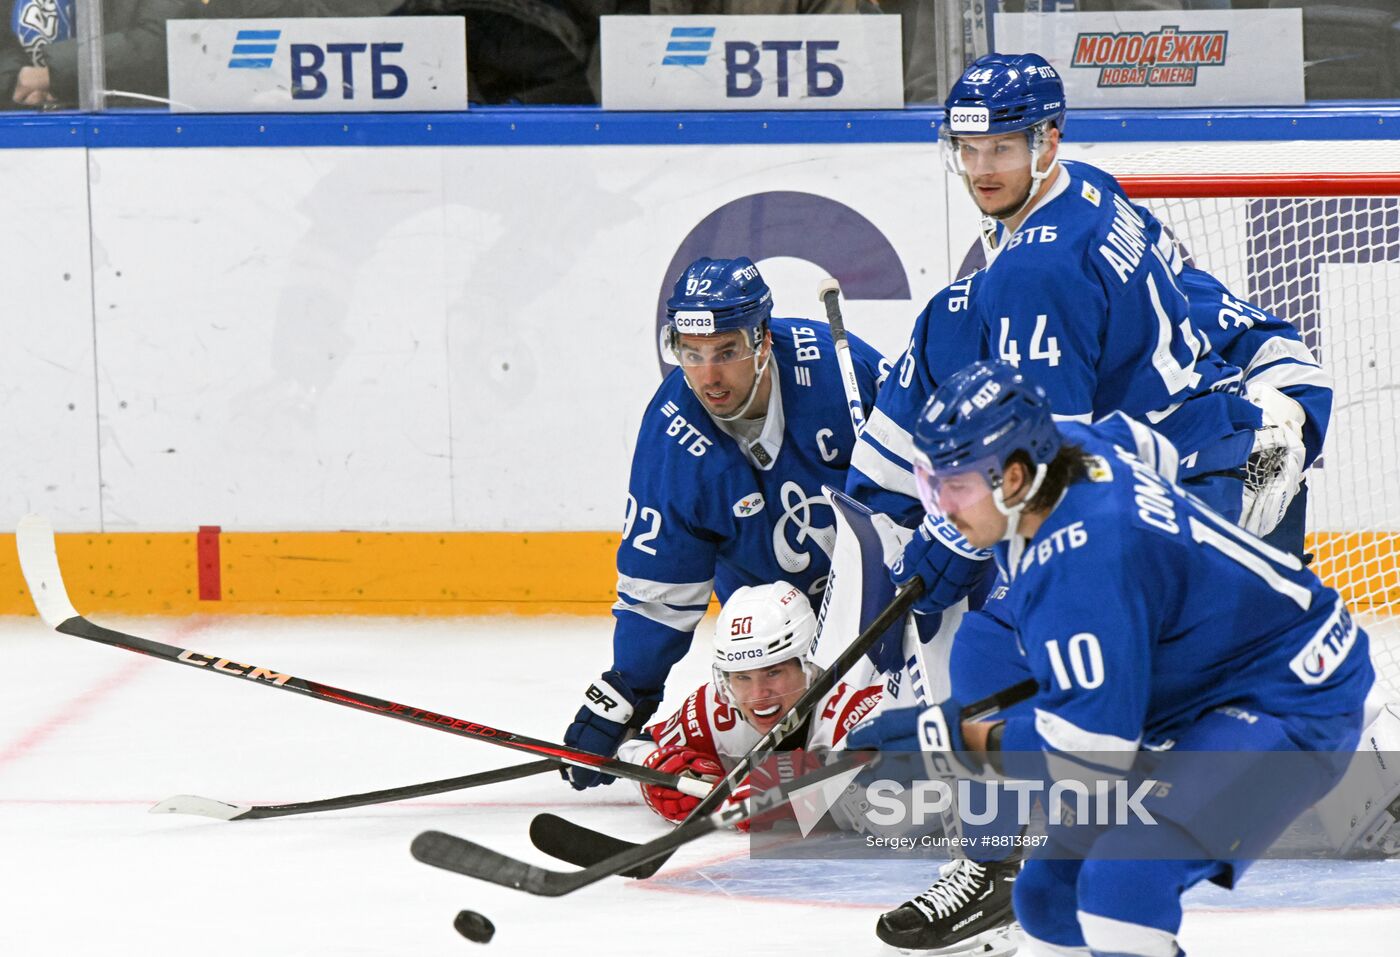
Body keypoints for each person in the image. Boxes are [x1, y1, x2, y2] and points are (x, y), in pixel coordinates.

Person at [866, 359, 1373, 956]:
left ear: (1013, 478)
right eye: (932, 485)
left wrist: (947, 738)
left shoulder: (1083, 566)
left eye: (954, 486)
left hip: (1294, 695)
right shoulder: (1069, 446)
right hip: (1213, 680)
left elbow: (1091, 757)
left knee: (1122, 886)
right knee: (1049, 896)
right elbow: (1147, 447)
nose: (941, 509)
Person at [561, 255, 887, 790]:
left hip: (883, 609)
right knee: (773, 737)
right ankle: (668, 748)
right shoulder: (671, 434)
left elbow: (932, 472)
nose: (707, 376)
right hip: (776, 644)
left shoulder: (833, 369)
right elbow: (662, 582)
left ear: (762, 339)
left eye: (726, 352)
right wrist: (628, 687)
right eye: (690, 354)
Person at [617, 580, 881, 827]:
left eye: (773, 672)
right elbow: (639, 746)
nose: (758, 694)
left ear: (809, 666)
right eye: (742, 677)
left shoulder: (855, 702)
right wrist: (660, 770)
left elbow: (910, 794)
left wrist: (809, 798)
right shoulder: (718, 711)